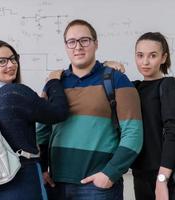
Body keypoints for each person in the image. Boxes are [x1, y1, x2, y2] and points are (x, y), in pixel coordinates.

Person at [37, 19, 143, 200]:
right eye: (72, 41)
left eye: (84, 40)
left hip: (98, 187)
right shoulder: (54, 84)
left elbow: (133, 132)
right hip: (55, 185)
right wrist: (41, 169)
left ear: (96, 44)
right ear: (66, 46)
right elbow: (41, 132)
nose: (78, 47)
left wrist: (110, 173)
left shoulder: (116, 80)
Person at [0, 40, 69, 200]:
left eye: (13, 58)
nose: (11, 64)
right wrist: (53, 82)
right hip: (22, 178)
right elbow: (59, 113)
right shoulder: (15, 93)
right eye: (2, 61)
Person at [131, 32, 175, 200]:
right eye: (140, 55)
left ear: (163, 57)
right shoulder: (134, 88)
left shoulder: (169, 85)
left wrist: (162, 180)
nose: (145, 61)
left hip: (170, 177)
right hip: (142, 176)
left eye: (153, 55)